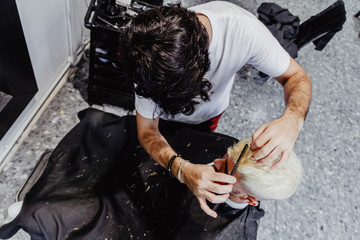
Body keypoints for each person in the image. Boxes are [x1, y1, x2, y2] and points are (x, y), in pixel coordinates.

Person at [122, 1, 311, 218]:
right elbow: (147, 131)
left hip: (208, 117)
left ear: (202, 72)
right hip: (161, 126)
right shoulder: (146, 55)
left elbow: (296, 77)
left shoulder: (243, 32)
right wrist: (181, 169)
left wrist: (293, 120)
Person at [212, 138, 303, 210]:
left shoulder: (225, 232)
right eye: (227, 155)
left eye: (225, 171)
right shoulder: (234, 148)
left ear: (248, 199)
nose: (216, 162)